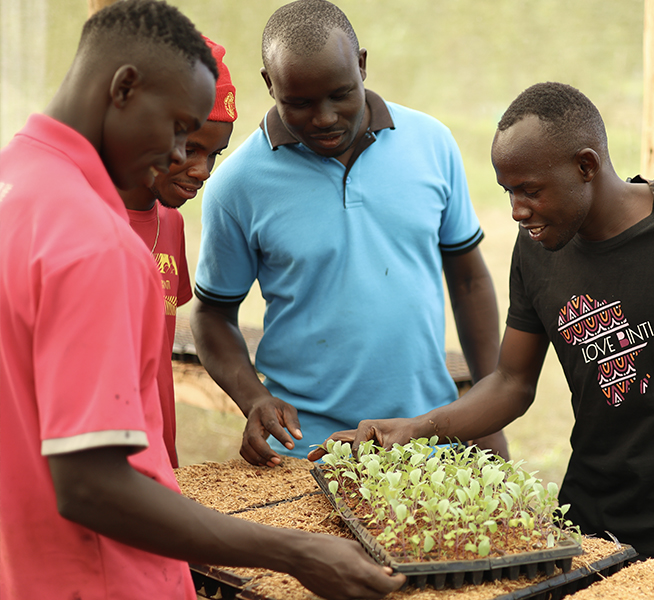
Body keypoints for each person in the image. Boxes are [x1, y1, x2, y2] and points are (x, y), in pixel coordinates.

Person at [312, 82, 654, 597]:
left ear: (586, 165)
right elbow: (511, 381)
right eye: (508, 191)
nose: (516, 209)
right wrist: (414, 430)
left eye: (530, 190)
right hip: (584, 533)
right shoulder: (537, 250)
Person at [0, 1, 404, 598]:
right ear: (125, 88)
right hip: (110, 576)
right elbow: (92, 484)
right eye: (178, 130)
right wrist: (294, 550)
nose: (177, 158)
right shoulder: (95, 240)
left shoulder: (16, 186)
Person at [190, 0, 505, 468]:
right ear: (268, 84)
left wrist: (486, 413)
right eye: (298, 102)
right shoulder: (237, 184)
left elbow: (470, 281)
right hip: (306, 451)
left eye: (340, 93)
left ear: (361, 65)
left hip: (429, 439)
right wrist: (253, 398)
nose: (324, 118)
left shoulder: (431, 142)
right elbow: (212, 316)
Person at [121, 35, 237, 468]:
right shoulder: (86, 222)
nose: (204, 171)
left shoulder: (170, 222)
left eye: (215, 154)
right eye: (190, 149)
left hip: (159, 458)